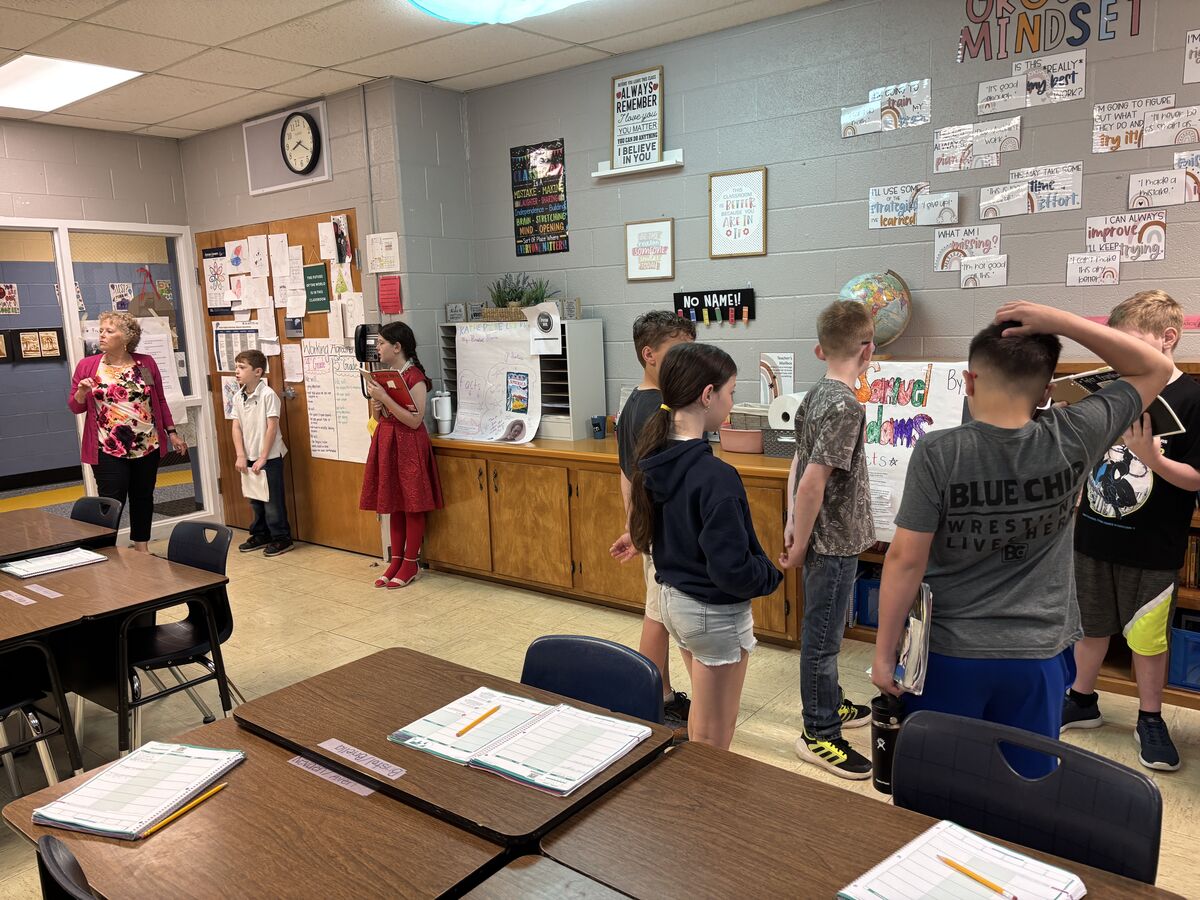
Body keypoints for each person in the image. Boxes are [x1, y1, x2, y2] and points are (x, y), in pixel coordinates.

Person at [872, 302, 1171, 775]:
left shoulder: (938, 452)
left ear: (969, 382)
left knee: (940, 785)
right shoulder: (1074, 434)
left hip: (951, 653)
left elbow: (904, 561)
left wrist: (884, 653)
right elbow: (1158, 366)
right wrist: (1062, 322)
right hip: (1039, 654)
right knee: (1025, 791)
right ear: (1047, 391)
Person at [1064, 291, 1200, 771]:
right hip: (1095, 535)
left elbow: (1197, 478)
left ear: (1168, 340)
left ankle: (1150, 717)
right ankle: (1081, 699)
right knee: (1090, 626)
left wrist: (1153, 459)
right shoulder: (1117, 391)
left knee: (1147, 638)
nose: (1122, 358)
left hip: (1152, 547)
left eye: (1130, 346)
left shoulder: (1194, 397)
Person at [629, 342, 782, 749]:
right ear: (707, 395)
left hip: (675, 603)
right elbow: (731, 569)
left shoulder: (655, 456)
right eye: (730, 392)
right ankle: (700, 809)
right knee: (715, 739)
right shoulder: (716, 476)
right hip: (712, 613)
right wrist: (770, 575)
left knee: (702, 721)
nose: (732, 401)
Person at [779, 300, 876, 780]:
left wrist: (791, 524)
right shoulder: (845, 406)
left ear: (821, 350)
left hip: (825, 536)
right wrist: (797, 541)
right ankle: (818, 732)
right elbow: (814, 479)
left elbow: (797, 465)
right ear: (868, 350)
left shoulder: (816, 394)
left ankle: (830, 703)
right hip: (832, 543)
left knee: (827, 632)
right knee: (822, 640)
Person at [610, 311, 697, 729]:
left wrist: (633, 525)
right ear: (649, 355)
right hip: (667, 536)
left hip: (652, 533)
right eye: (679, 352)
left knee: (658, 614)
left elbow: (627, 475)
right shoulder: (656, 411)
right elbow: (648, 480)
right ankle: (676, 700)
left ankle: (658, 695)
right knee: (677, 618)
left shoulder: (635, 402)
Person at [67, 311, 187, 553]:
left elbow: (159, 401)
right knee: (111, 502)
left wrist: (171, 432)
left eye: (109, 331)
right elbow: (75, 406)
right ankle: (105, 549)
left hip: (147, 444)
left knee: (143, 497)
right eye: (101, 330)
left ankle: (141, 547)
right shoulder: (88, 366)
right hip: (107, 446)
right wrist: (81, 391)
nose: (102, 335)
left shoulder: (146, 363)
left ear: (127, 337)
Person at [360, 322, 443, 588]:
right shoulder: (387, 375)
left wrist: (385, 399)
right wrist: (377, 406)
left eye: (382, 343)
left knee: (412, 503)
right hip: (388, 441)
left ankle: (410, 561)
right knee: (394, 502)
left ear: (397, 347)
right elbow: (380, 416)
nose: (377, 347)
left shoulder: (414, 376)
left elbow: (415, 420)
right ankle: (395, 560)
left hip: (409, 443)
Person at [230, 349, 293, 557]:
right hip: (249, 456)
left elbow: (271, 427)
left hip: (269, 457)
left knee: (272, 501)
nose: (237, 371)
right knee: (255, 498)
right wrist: (241, 455)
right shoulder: (238, 396)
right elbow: (236, 426)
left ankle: (281, 537)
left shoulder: (268, 395)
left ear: (257, 372)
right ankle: (260, 533)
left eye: (242, 367)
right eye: (236, 367)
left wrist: (263, 457)